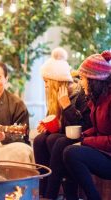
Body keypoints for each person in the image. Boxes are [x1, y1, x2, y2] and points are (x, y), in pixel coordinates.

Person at [33, 47, 92, 199]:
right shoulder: (56, 95)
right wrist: (46, 126)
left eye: (47, 82)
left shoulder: (79, 93)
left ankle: (51, 194)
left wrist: (66, 106)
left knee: (56, 141)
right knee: (40, 139)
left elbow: (83, 125)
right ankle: (42, 192)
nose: (45, 86)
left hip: (84, 135)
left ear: (56, 81)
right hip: (65, 134)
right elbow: (57, 124)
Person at [63, 50, 111, 200]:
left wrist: (84, 141)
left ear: (93, 80)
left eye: (82, 78)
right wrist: (84, 135)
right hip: (105, 152)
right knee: (65, 144)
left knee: (72, 152)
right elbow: (99, 129)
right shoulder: (98, 99)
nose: (80, 82)